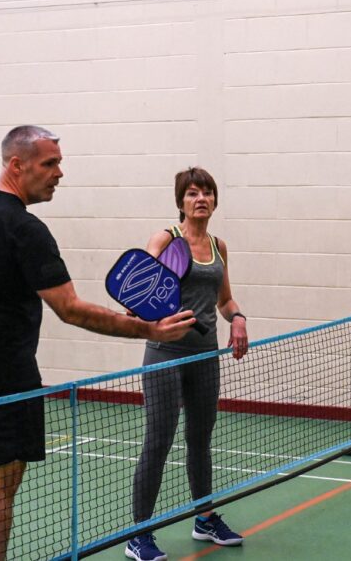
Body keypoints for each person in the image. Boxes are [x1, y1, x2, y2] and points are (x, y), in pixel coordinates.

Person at [0, 126, 197, 561]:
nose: (59, 173)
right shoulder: (25, 229)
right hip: (6, 375)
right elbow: (70, 308)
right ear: (17, 165)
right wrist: (149, 330)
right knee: (1, 479)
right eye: (49, 163)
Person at [126, 167, 248, 561]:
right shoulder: (166, 239)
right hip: (165, 355)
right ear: (180, 201)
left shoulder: (218, 246)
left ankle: (204, 518)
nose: (201, 199)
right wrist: (151, 319)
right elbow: (136, 289)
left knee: (200, 441)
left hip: (204, 357)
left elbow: (224, 300)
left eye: (207, 193)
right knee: (158, 441)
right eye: (193, 193)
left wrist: (239, 318)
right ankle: (139, 534)